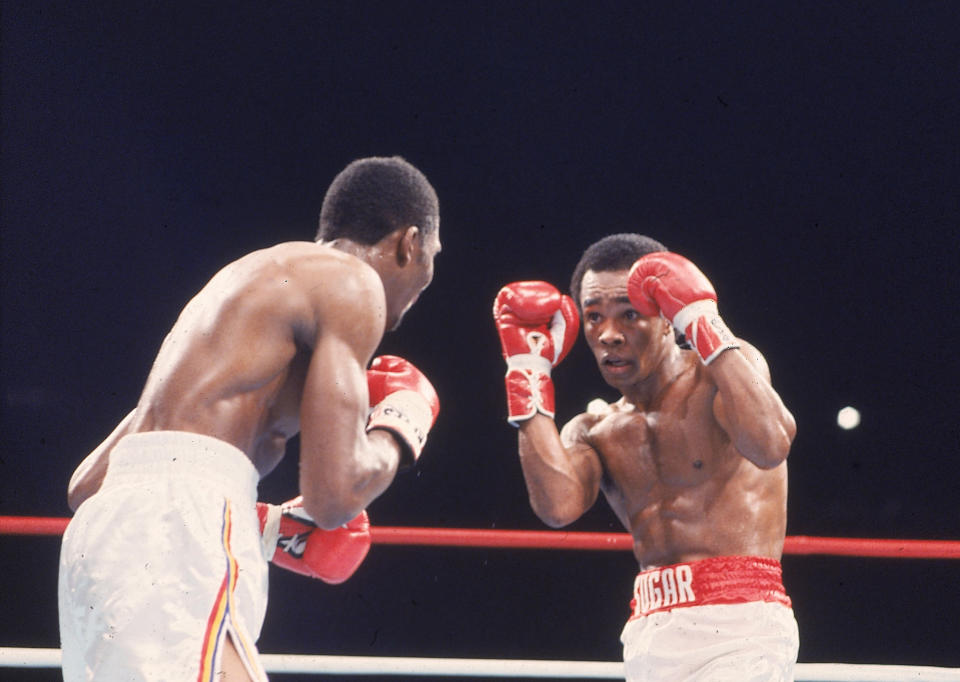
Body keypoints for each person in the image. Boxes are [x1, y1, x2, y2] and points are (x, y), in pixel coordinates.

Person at [58, 156, 443, 681]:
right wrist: (403, 421)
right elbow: (334, 498)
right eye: (433, 258)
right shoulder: (354, 284)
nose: (427, 280)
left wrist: (267, 528)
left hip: (103, 544)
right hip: (176, 534)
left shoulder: (247, 286)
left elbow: (87, 486)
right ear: (411, 243)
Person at [493, 233, 799, 681]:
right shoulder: (594, 430)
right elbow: (556, 507)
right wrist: (527, 373)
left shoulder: (722, 374)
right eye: (594, 317)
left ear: (665, 316)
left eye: (629, 314)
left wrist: (703, 320)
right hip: (649, 629)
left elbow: (771, 444)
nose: (609, 335)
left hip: (741, 622)